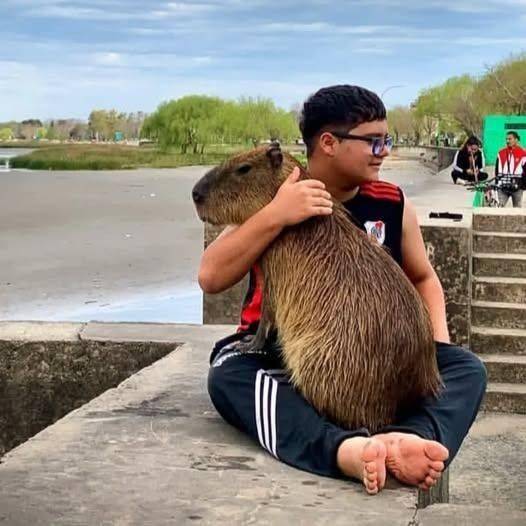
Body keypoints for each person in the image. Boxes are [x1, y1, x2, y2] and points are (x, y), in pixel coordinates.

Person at [199, 85, 486, 495]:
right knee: (228, 375)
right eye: (373, 141)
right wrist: (277, 215)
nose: (383, 151)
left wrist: (436, 346)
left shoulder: (391, 201)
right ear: (329, 143)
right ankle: (341, 449)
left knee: (468, 369)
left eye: (386, 140)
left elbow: (423, 277)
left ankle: (408, 438)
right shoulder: (278, 196)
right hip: (286, 352)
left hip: (374, 354)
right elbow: (211, 276)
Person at [494, 131, 526, 208]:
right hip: (502, 187)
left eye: (510, 139)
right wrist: (497, 184)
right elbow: (496, 170)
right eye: (506, 139)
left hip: (517, 187)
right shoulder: (500, 153)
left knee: (517, 210)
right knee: (499, 209)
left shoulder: (523, 153)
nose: (507, 141)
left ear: (516, 140)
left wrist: (523, 186)